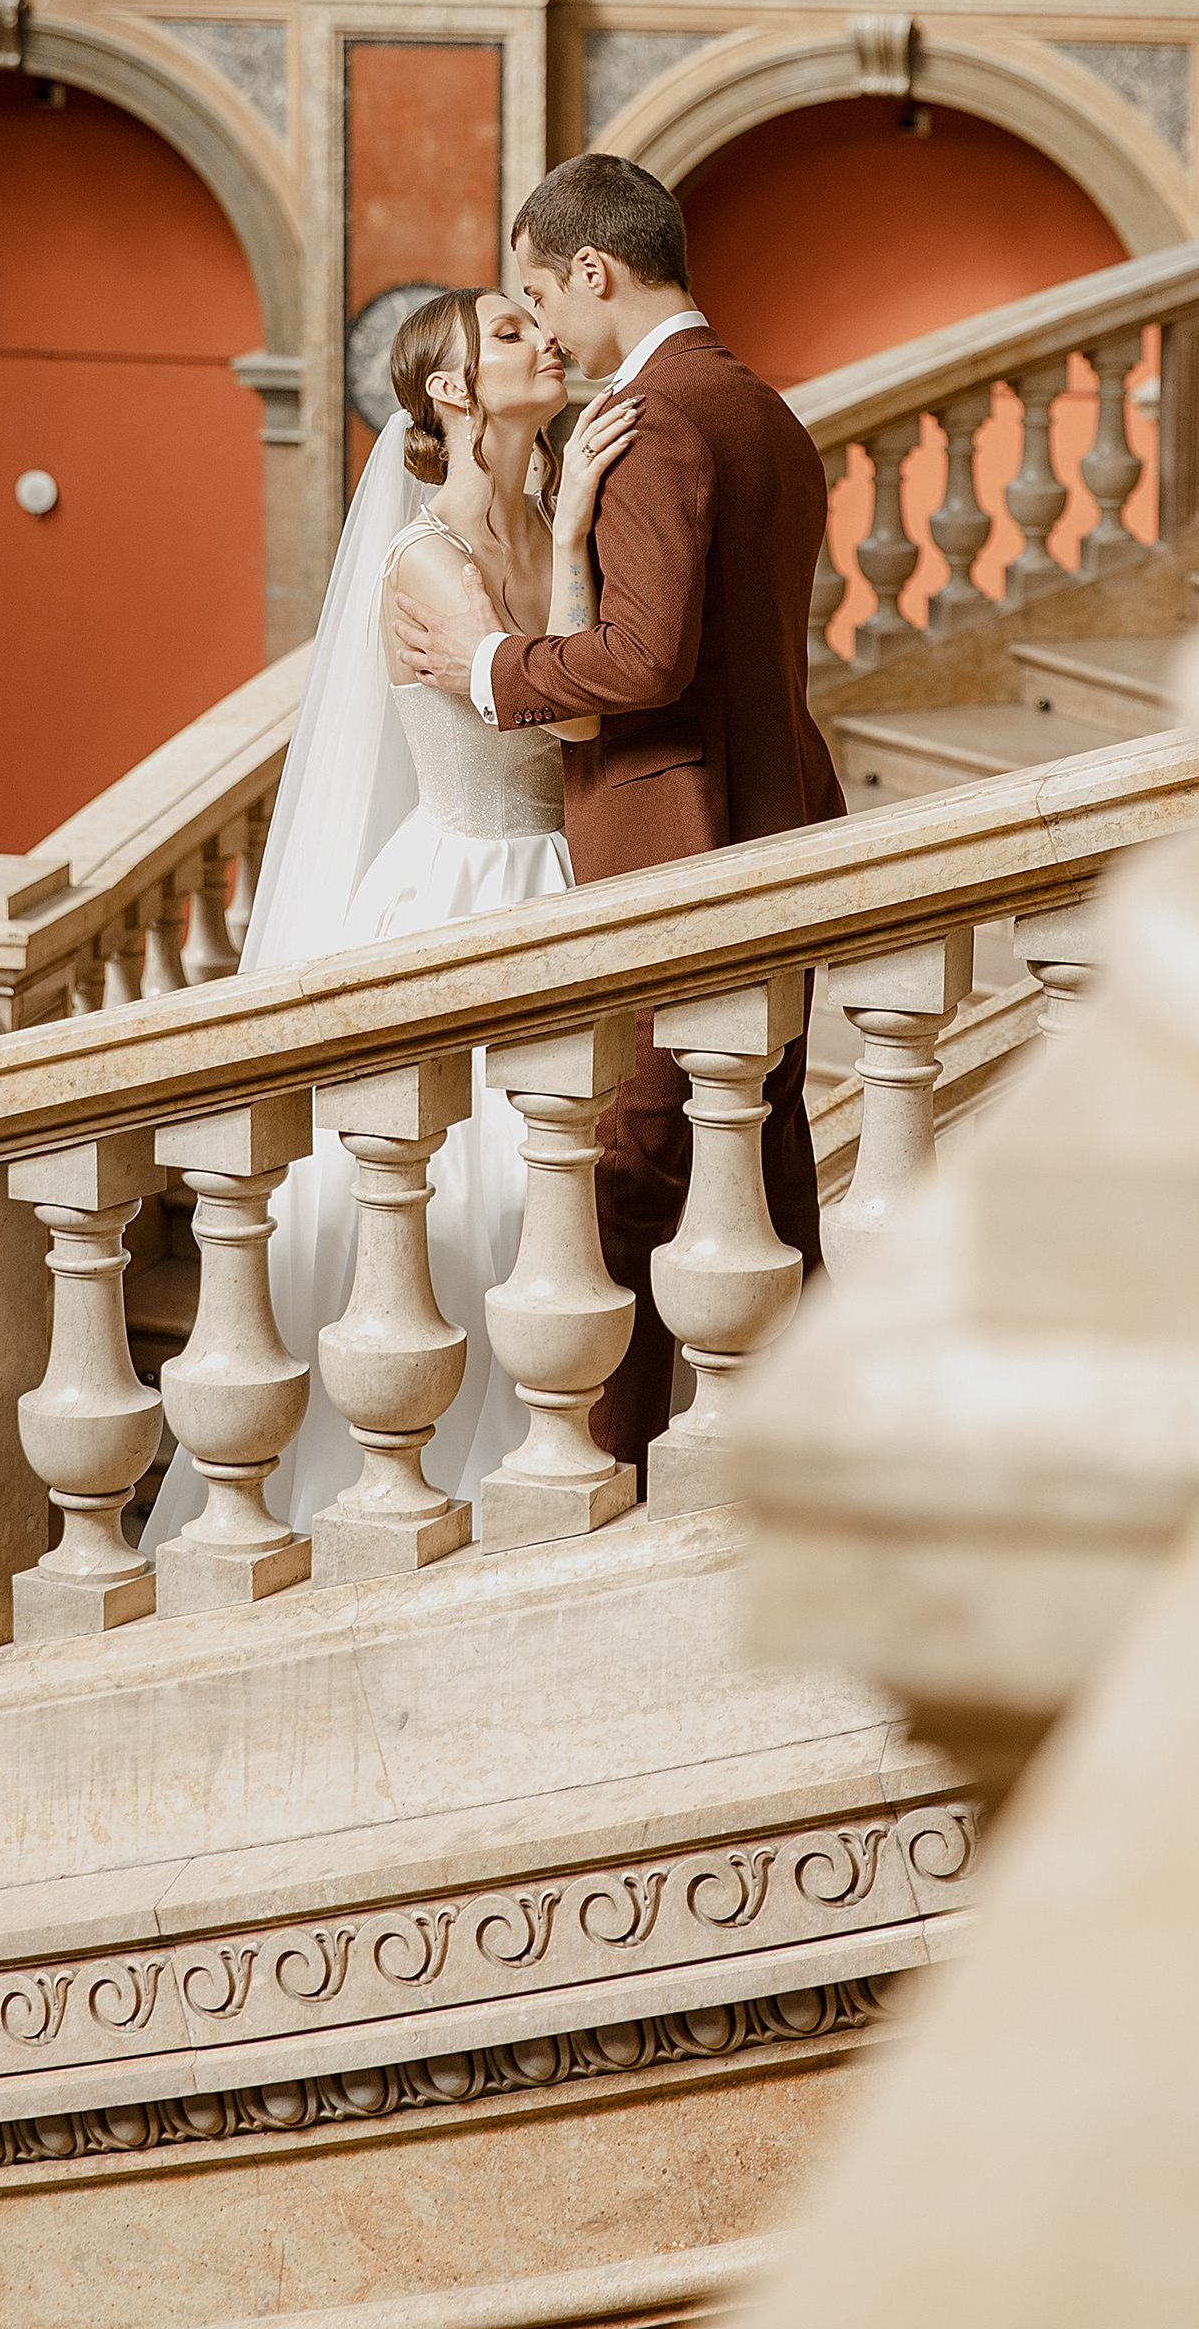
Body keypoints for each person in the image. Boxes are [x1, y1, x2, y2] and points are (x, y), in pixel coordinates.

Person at [149, 287, 638, 1547]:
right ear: (455, 390)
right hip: (463, 886)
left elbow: (568, 702)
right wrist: (566, 556)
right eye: (511, 333)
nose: (544, 341)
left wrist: (571, 524)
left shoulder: (540, 521)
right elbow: (564, 711)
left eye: (540, 323)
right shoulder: (421, 556)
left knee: (561, 1189)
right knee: (463, 1192)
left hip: (564, 880)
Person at [391, 153, 843, 1472]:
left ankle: (619, 1460)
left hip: (675, 842)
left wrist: (486, 667)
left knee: (644, 1170)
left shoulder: (658, 421)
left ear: (594, 271)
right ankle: (780, 1427)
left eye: (540, 294)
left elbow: (642, 667)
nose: (544, 328)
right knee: (757, 1141)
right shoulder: (764, 411)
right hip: (772, 830)